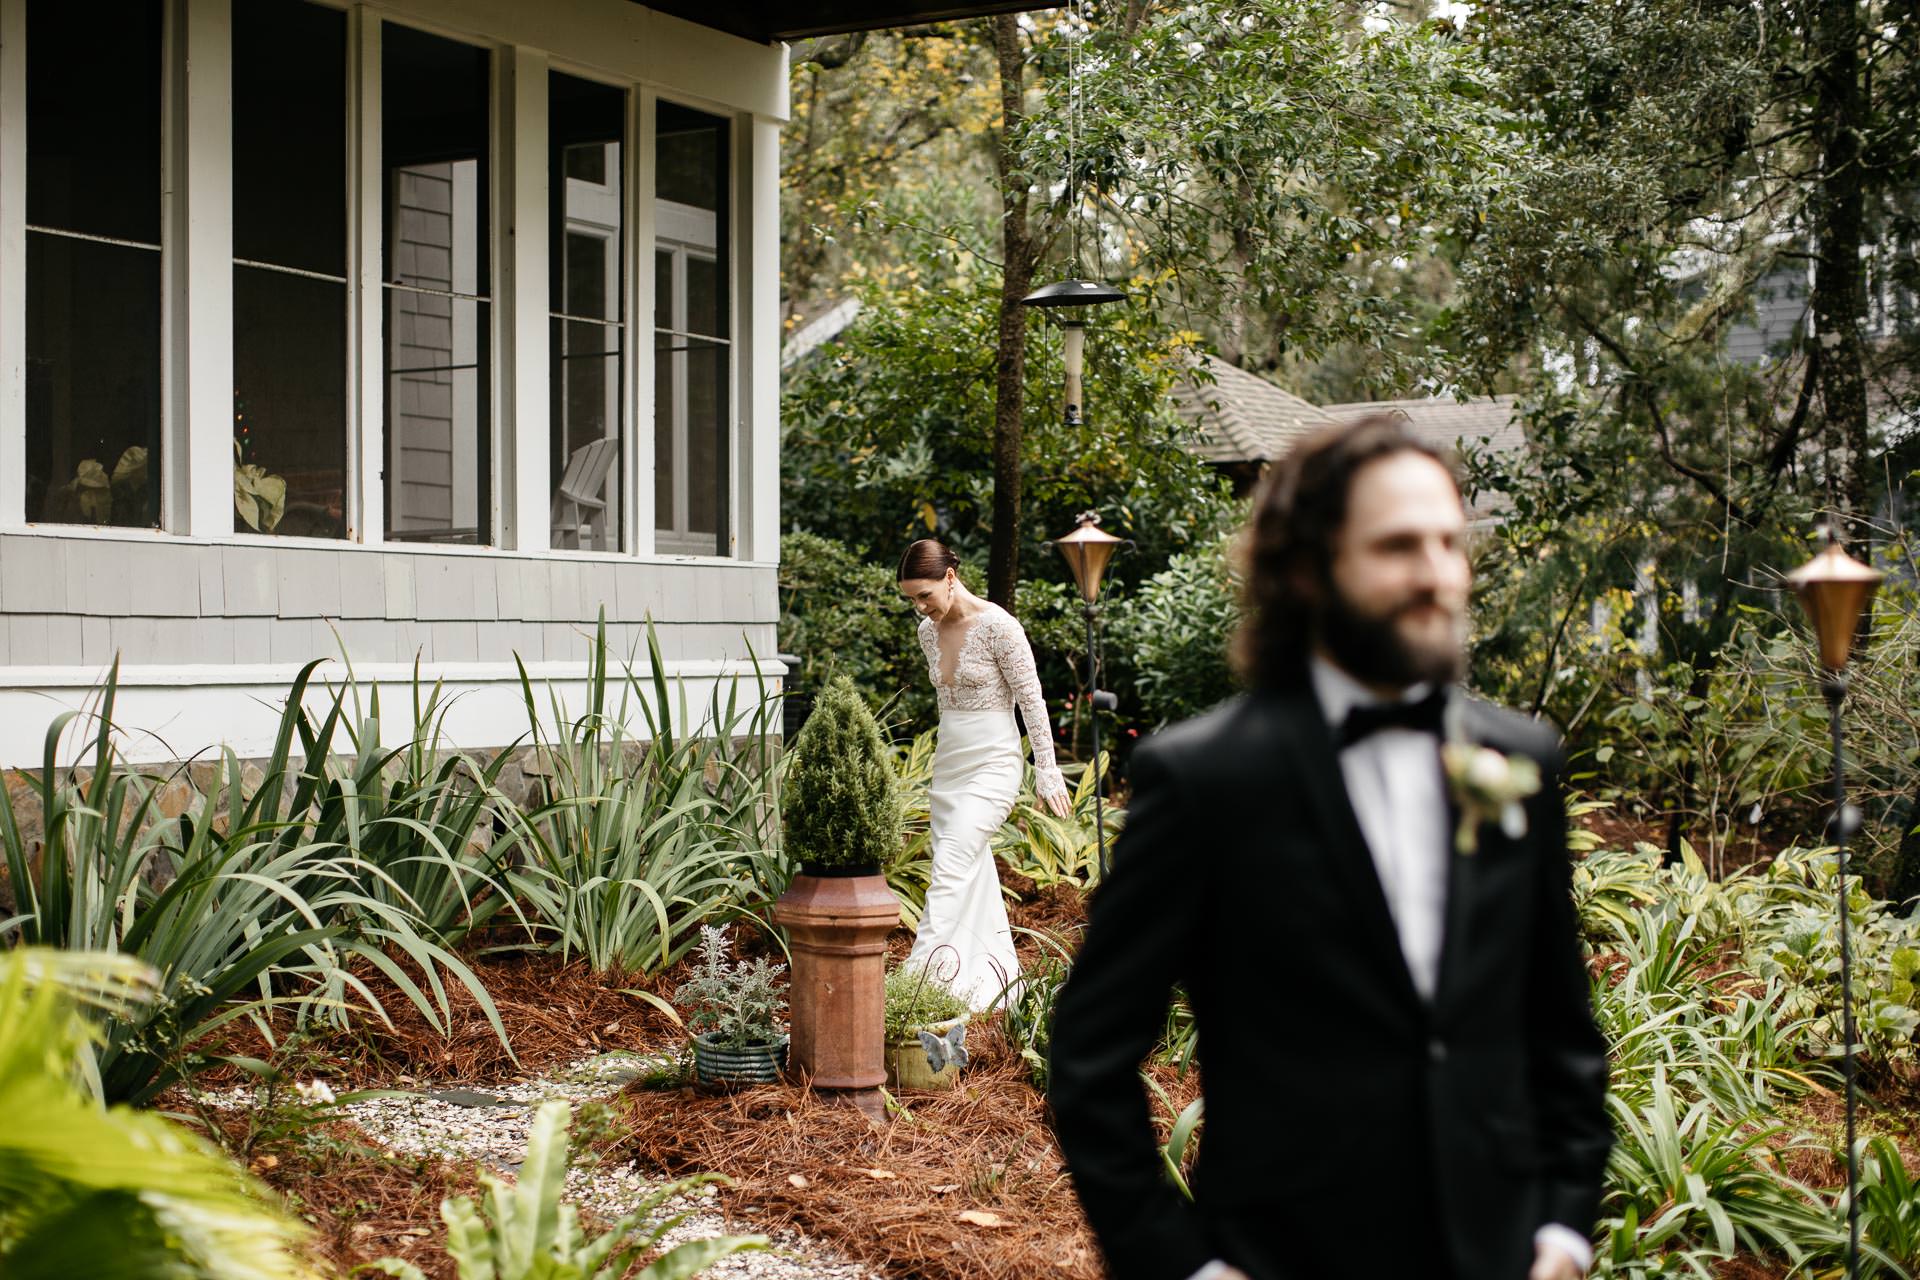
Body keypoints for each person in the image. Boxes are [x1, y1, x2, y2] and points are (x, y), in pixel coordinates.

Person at [1048, 416, 1612, 1280]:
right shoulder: (1205, 781)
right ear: (1309, 570)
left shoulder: (1520, 759)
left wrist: (1564, 1233)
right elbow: (1091, 1060)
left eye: (1449, 543)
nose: (1436, 575)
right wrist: (1184, 1268)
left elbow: (1560, 1030)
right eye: (1397, 547)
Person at [897, 539, 1073, 1008]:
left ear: (950, 577)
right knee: (968, 871)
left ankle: (909, 988)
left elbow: (1032, 703)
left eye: (924, 595)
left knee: (951, 863)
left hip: (994, 763)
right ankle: (989, 986)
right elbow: (945, 703)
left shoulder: (999, 627)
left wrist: (1047, 771)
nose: (919, 607)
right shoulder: (927, 632)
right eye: (911, 598)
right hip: (950, 765)